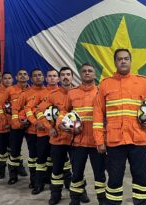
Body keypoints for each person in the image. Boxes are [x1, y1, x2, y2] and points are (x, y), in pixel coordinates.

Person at [93, 48, 146, 205]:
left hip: (138, 140)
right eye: (119, 59)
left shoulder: (143, 82)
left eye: (126, 58)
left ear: (131, 61)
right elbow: (98, 115)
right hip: (114, 142)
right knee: (114, 181)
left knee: (140, 179)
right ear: (115, 62)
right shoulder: (105, 85)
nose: (123, 61)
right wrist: (99, 140)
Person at [62, 63, 106, 204]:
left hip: (96, 142)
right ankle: (75, 200)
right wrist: (65, 126)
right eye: (84, 71)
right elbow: (64, 112)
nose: (87, 73)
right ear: (80, 74)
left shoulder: (101, 92)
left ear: (95, 74)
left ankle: (102, 200)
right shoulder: (72, 93)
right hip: (77, 142)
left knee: (100, 175)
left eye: (90, 71)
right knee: (77, 175)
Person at [36, 67, 75, 205]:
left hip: (76, 139)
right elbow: (39, 111)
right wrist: (49, 128)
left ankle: (79, 194)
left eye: (68, 74)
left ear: (72, 77)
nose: (65, 77)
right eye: (63, 74)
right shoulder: (53, 95)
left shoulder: (79, 93)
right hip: (57, 139)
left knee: (77, 169)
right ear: (59, 78)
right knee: (57, 169)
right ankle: (55, 194)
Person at [25, 68, 59, 195]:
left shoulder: (65, 93)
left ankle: (54, 182)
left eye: (54, 76)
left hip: (59, 134)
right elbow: (28, 108)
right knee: (41, 160)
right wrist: (35, 122)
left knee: (57, 160)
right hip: (43, 133)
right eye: (49, 76)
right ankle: (38, 184)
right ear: (46, 78)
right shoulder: (40, 93)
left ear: (58, 78)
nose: (52, 78)